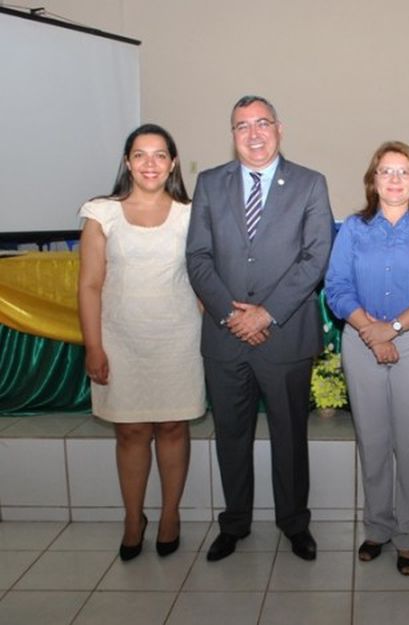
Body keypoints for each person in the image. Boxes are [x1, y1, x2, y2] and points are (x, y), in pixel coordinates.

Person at [186, 95, 333, 562]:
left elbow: (316, 258)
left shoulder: (310, 184)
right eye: (241, 126)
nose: (253, 133)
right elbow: (198, 257)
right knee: (231, 436)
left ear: (279, 128)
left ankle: (294, 524)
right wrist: (233, 316)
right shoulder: (210, 183)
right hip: (226, 337)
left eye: (262, 123)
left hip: (284, 335)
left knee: (291, 436)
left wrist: (265, 313)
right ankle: (234, 524)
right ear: (232, 135)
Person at [325, 141, 409, 575]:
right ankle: (377, 528)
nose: (396, 179)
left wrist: (394, 328)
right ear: (373, 180)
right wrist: (372, 330)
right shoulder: (354, 229)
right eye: (386, 171)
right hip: (362, 340)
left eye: (405, 171)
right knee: (374, 441)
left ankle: (407, 534)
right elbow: (337, 287)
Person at [78, 123, 206, 562]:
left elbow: (205, 278)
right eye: (139, 154)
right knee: (131, 432)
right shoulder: (101, 213)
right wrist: (93, 347)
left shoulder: (193, 214)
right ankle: (134, 518)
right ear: (127, 162)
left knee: (173, 427)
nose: (149, 163)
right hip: (120, 340)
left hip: (177, 339)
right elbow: (90, 285)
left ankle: (170, 515)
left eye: (159, 155)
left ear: (172, 163)